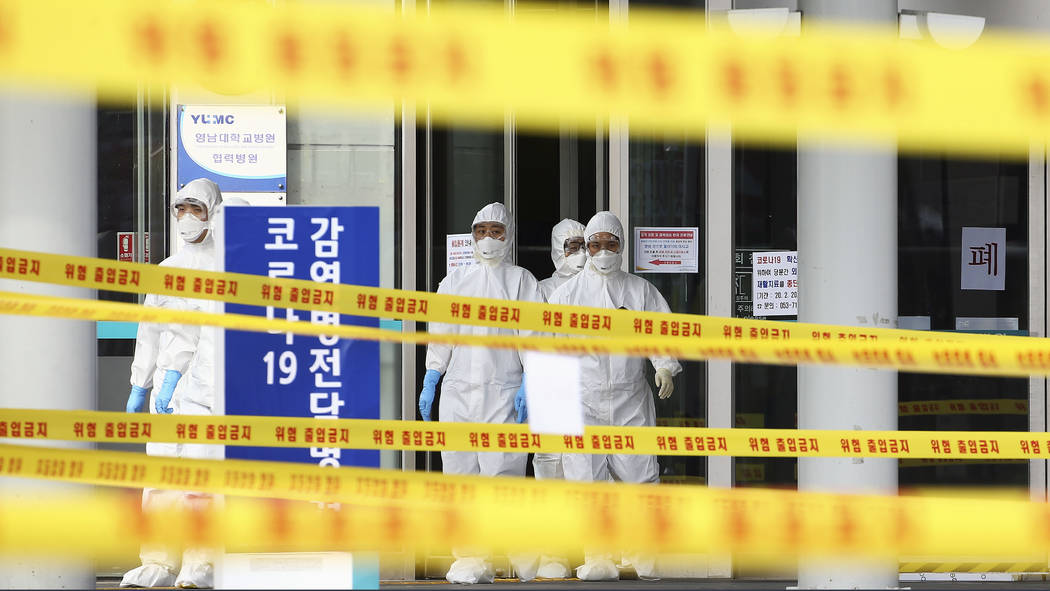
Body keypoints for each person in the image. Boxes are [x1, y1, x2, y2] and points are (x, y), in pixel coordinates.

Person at [547, 211, 682, 581]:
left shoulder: (640, 291)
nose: (603, 250)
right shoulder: (566, 295)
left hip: (630, 397)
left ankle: (643, 554)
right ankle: (597, 556)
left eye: (611, 243)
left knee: (639, 476)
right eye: (596, 244)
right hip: (582, 399)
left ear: (622, 245)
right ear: (586, 247)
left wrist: (664, 365)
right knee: (586, 480)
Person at [418, 202, 545, 584]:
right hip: (458, 393)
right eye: (481, 231)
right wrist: (431, 378)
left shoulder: (523, 281)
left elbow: (534, 336)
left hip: (503, 391)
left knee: (502, 475)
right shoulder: (454, 281)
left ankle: (519, 549)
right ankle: (472, 557)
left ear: (508, 235)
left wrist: (529, 381)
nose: (487, 239)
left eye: (496, 231)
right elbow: (441, 334)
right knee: (460, 476)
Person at [121, 178, 223, 589]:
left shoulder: (226, 268)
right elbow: (151, 333)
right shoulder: (167, 270)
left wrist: (171, 377)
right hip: (168, 390)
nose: (186, 217)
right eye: (180, 209)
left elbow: (196, 335)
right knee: (161, 477)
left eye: (195, 208)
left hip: (208, 389)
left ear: (213, 211)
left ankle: (201, 562)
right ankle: (156, 561)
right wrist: (140, 385)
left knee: (202, 479)